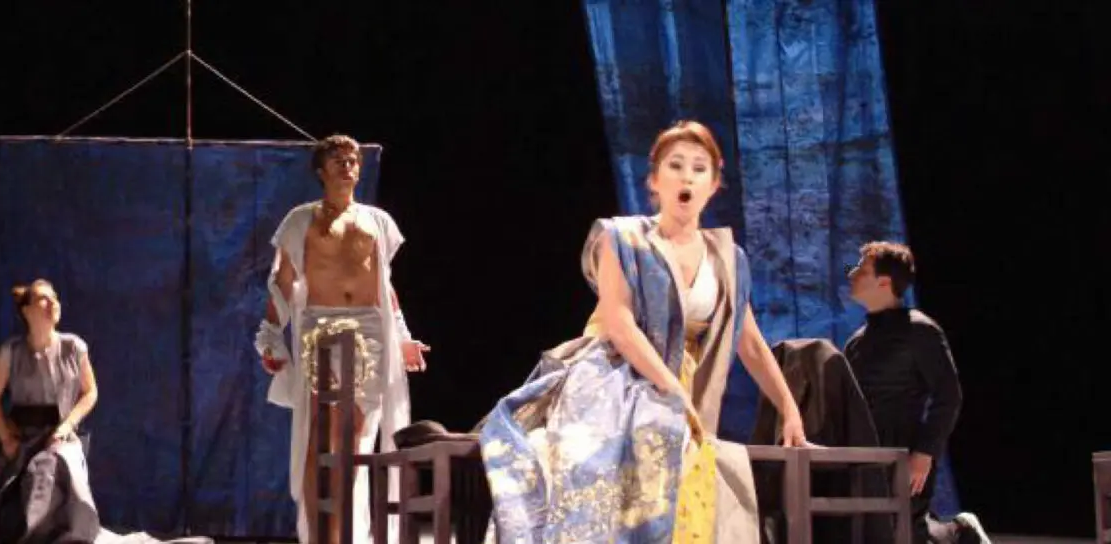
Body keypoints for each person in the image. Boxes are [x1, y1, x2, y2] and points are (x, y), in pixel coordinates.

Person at [477, 121, 809, 542]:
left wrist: (788, 408)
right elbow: (619, 323)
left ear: (713, 185)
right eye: (675, 165)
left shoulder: (727, 258)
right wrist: (671, 389)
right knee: (621, 453)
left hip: (684, 386)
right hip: (616, 374)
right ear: (654, 180)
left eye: (699, 168)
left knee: (698, 463)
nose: (687, 177)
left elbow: (751, 344)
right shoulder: (623, 238)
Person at [254, 135, 428, 544]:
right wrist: (271, 338)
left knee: (354, 438)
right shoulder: (300, 220)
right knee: (323, 434)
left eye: (352, 160)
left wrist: (403, 336)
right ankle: (321, 535)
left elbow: (384, 285)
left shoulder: (376, 220)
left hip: (368, 330)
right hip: (321, 327)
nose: (348, 166)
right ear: (321, 171)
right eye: (338, 160)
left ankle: (342, 533)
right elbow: (283, 283)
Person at [0, 279, 209, 544]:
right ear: (27, 310)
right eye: (43, 298)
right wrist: (6, 438)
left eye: (55, 297)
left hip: (59, 436)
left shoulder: (73, 347)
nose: (53, 303)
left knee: (51, 464)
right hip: (23, 438)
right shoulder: (11, 352)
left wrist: (67, 425)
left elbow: (90, 392)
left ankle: (58, 536)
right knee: (21, 479)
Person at [844, 242, 965, 543]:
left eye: (862, 269)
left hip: (905, 452)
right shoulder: (856, 342)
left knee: (908, 534)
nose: (852, 274)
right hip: (866, 452)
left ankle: (959, 531)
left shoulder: (920, 331)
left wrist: (925, 453)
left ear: (884, 282)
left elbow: (948, 396)